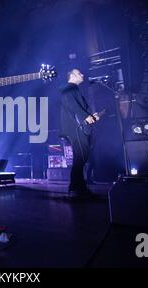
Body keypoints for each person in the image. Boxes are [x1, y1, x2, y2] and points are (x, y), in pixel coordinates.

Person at [60, 69, 100, 200]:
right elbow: (72, 105)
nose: (82, 75)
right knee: (81, 157)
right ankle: (74, 188)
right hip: (75, 128)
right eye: (79, 73)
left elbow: (78, 107)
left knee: (81, 157)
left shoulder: (74, 89)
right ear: (72, 75)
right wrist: (85, 116)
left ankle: (79, 188)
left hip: (79, 126)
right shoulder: (68, 88)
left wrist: (90, 116)